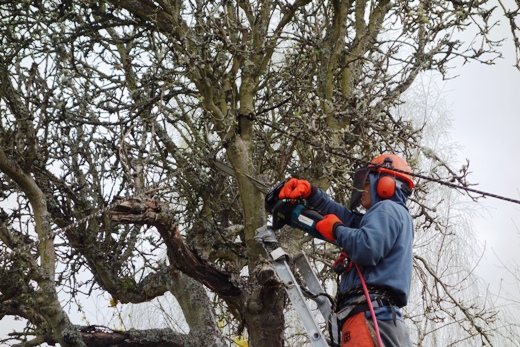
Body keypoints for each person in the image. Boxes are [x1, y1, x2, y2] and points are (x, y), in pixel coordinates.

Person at [278, 153, 414, 347]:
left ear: (385, 183)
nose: (363, 190)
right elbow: (347, 220)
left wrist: (336, 229)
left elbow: (366, 247)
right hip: (375, 317)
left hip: (369, 316)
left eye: (368, 183)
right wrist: (313, 194)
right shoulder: (386, 216)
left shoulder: (387, 209)